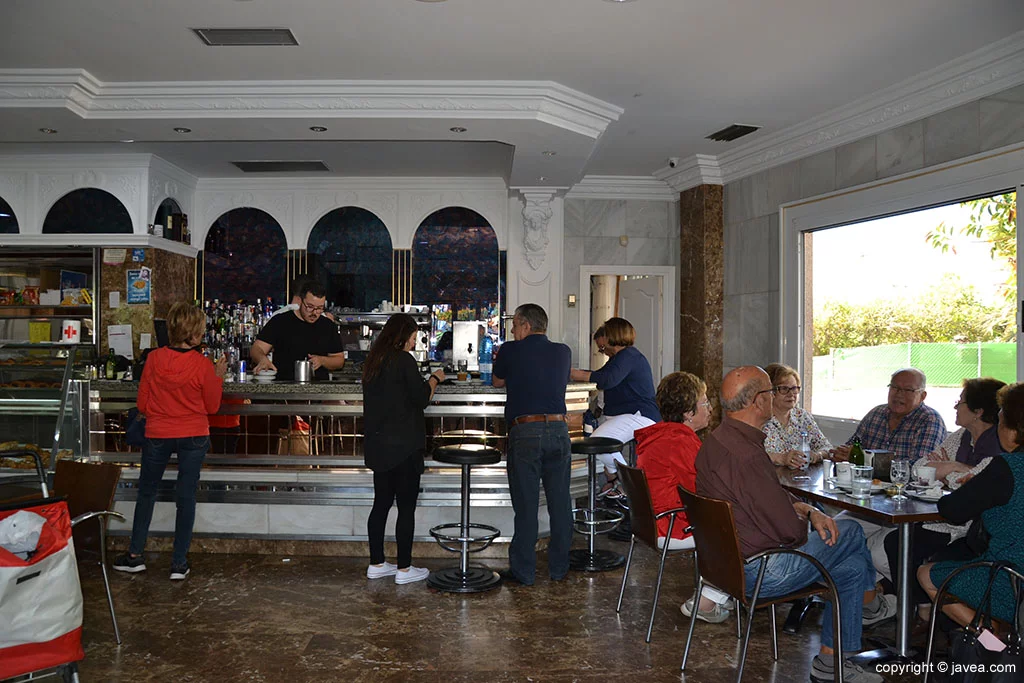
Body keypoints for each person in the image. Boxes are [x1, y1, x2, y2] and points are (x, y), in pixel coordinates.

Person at [695, 366, 894, 683]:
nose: (776, 397)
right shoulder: (746, 454)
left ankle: (831, 662)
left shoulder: (718, 441)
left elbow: (760, 497)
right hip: (763, 572)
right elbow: (788, 532)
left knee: (852, 567)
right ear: (760, 401)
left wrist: (806, 508)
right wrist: (808, 518)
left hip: (725, 567)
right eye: (773, 391)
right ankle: (871, 604)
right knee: (852, 530)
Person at [113, 302, 227, 580]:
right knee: (185, 496)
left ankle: (135, 556)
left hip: (158, 434)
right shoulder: (203, 365)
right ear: (196, 334)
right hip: (194, 435)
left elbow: (142, 403)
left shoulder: (154, 359)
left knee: (147, 493)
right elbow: (212, 407)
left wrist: (163, 413)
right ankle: (178, 563)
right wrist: (218, 378)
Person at [918, 382, 1024, 628]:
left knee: (927, 574)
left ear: (1013, 428)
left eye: (1001, 422)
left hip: (1009, 582)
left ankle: (990, 642)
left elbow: (952, 510)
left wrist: (951, 478)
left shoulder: (1006, 468)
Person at [634, 371, 733, 623]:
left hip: (650, 522)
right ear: (688, 413)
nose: (710, 408)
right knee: (733, 526)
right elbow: (704, 492)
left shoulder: (659, 436)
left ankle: (718, 591)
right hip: (671, 525)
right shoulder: (679, 443)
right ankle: (708, 600)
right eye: (705, 402)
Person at [362, 313, 446, 585]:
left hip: (378, 446)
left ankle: (376, 563)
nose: (413, 343)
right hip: (404, 447)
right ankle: (405, 569)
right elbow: (421, 398)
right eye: (412, 338)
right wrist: (434, 379)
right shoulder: (403, 360)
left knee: (381, 504)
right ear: (403, 337)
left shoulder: (373, 362)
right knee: (406, 508)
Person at [492, 304, 572, 586]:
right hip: (560, 431)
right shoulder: (563, 351)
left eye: (514, 325)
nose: (512, 331)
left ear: (525, 324)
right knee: (560, 503)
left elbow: (496, 381)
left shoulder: (510, 350)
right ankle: (559, 569)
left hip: (526, 431)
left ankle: (524, 572)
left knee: (526, 506)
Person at [570, 317, 661, 498]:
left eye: (602, 347)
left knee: (598, 441)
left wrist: (572, 373)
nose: (601, 351)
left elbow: (606, 379)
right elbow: (604, 377)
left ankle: (627, 485)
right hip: (627, 415)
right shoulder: (620, 358)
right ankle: (616, 480)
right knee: (599, 443)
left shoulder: (628, 355)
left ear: (612, 337)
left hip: (639, 415)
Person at [832, 368, 946, 462]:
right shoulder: (876, 414)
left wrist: (862, 460)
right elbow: (852, 447)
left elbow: (918, 467)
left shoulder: (930, 420)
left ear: (922, 396)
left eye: (907, 390)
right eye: (894, 387)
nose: (899, 394)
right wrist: (842, 454)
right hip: (864, 485)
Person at [251, 280, 345, 381]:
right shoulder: (280, 321)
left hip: (319, 390)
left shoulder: (328, 325)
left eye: (319, 308)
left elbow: (339, 360)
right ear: (300, 301)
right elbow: (256, 348)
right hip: (284, 387)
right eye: (310, 307)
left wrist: (322, 360)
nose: (314, 312)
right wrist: (262, 359)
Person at [762, 363, 832, 469]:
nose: (791, 394)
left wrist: (817, 455)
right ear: (770, 392)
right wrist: (781, 458)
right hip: (769, 479)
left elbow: (826, 447)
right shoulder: (759, 419)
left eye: (794, 388)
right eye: (784, 389)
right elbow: (749, 455)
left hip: (800, 480)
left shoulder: (802, 416)